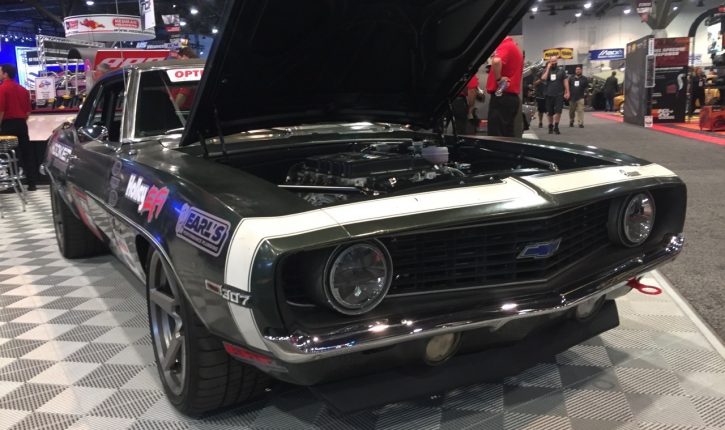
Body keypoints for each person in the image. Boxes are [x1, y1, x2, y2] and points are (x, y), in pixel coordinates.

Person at [0, 64, 35, 191]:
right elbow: (28, 112)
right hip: (21, 124)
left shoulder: (2, 89)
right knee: (26, 153)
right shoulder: (23, 90)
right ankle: (31, 183)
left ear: (5, 74)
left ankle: (11, 183)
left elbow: (1, 111)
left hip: (7, 125)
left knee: (7, 153)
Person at [486, 36, 524, 137]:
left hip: (502, 96)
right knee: (507, 134)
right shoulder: (515, 47)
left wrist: (498, 79)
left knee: (496, 135)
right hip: (510, 98)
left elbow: (496, 61)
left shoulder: (505, 45)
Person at [541, 55, 569, 135]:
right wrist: (548, 68)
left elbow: (565, 81)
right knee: (549, 112)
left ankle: (556, 126)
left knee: (558, 111)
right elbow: (543, 78)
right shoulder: (546, 70)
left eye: (555, 61)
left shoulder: (561, 71)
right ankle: (550, 126)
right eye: (552, 61)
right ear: (550, 62)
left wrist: (567, 91)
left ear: (557, 61)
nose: (553, 63)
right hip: (549, 94)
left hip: (559, 94)